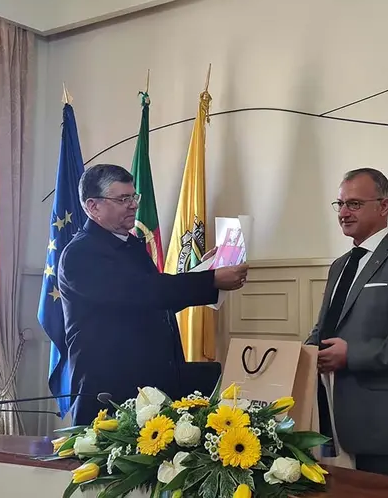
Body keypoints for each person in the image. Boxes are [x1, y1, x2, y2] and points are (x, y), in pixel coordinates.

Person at [58, 164, 248, 425]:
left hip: (152, 383)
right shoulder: (81, 254)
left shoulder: (129, 245)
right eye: (122, 199)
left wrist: (205, 271)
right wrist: (210, 280)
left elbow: (154, 302)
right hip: (111, 390)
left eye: (133, 197)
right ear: (93, 206)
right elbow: (142, 292)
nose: (133, 205)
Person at [306, 167, 388, 479]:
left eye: (353, 204)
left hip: (384, 427)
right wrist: (301, 357)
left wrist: (351, 355)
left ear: (383, 206)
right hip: (329, 421)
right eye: (339, 204)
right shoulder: (340, 265)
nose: (343, 213)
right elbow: (323, 329)